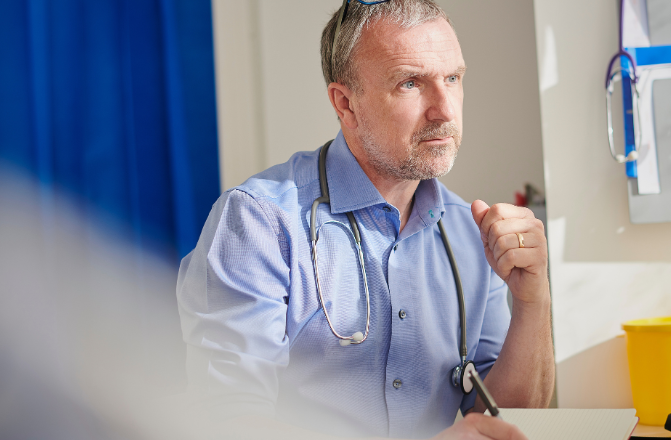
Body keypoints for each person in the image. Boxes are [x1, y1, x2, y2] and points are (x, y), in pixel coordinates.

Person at [176, 1, 554, 438]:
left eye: (453, 78)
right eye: (411, 83)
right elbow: (228, 421)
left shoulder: (471, 233)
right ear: (345, 103)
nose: (445, 110)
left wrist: (533, 302)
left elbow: (503, 419)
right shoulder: (258, 223)